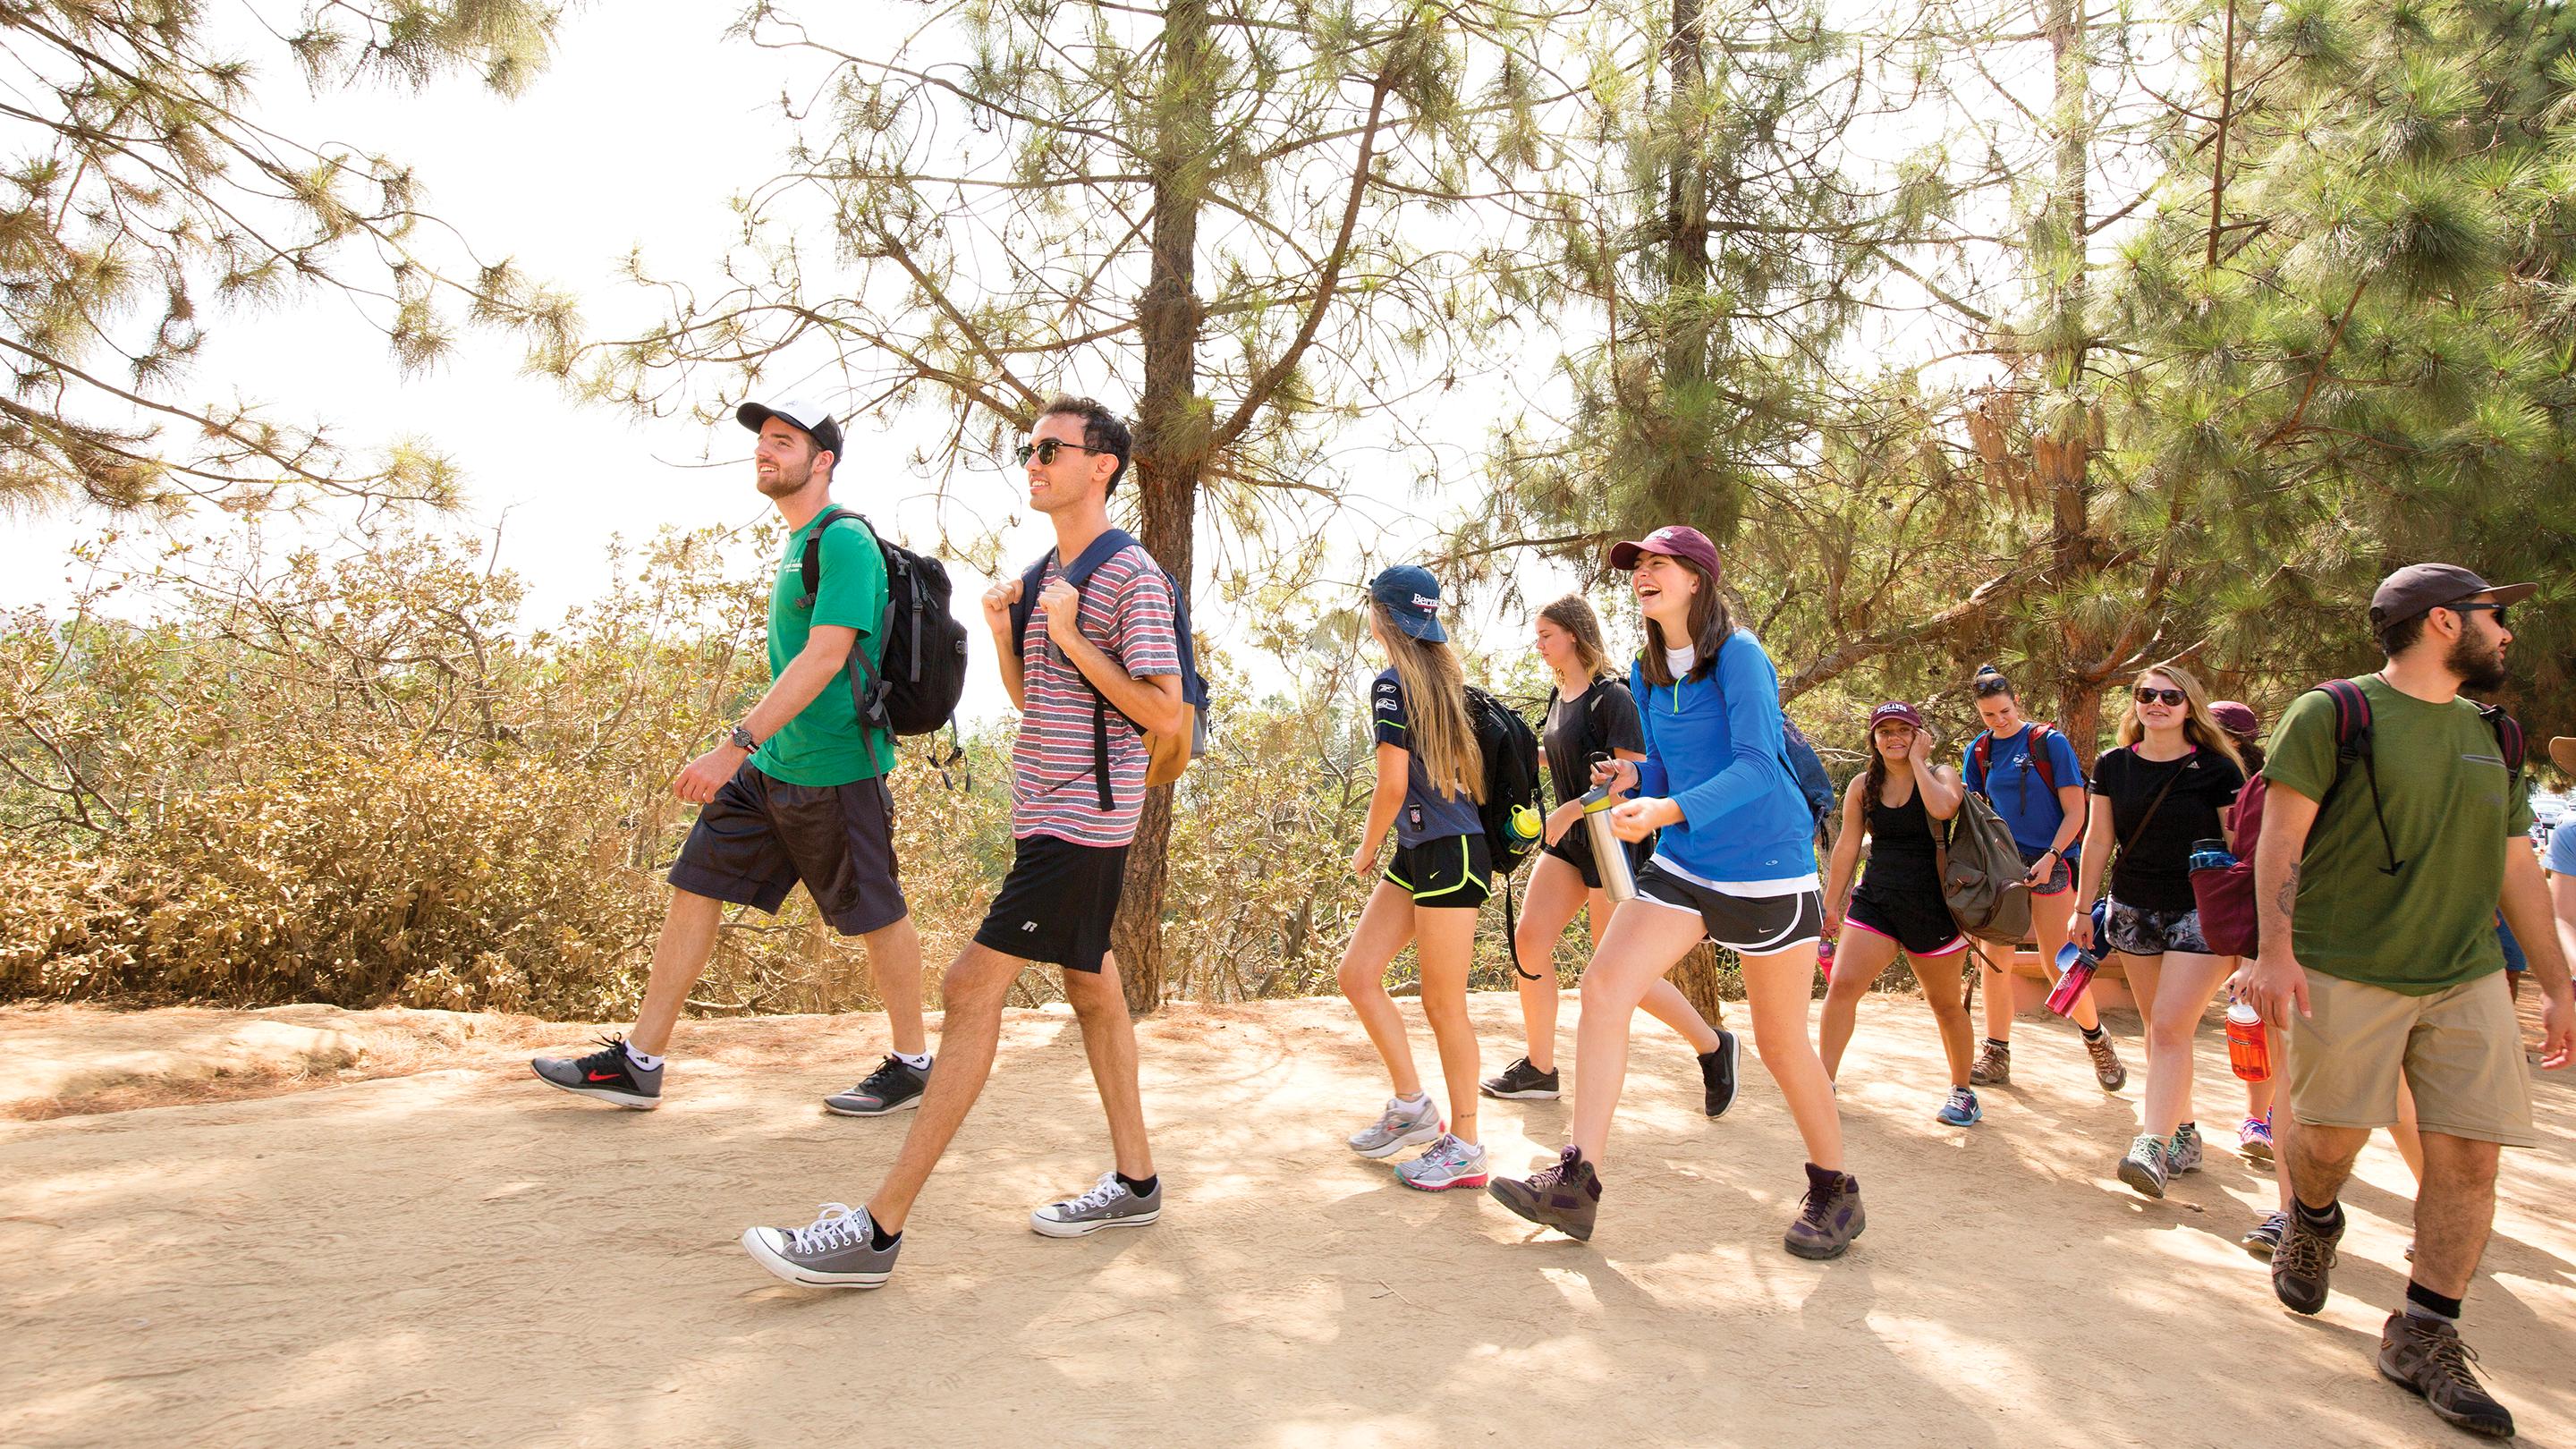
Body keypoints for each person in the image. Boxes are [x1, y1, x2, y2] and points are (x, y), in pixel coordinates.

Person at [738, 396, 1184, 1288]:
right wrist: (1006, 632)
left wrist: (1064, 631)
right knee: (1095, 997)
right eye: (1029, 448)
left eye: (1052, 448)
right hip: (1046, 816)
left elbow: (1163, 712)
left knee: (969, 987)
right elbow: (1035, 702)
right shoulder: (1046, 569)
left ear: (1103, 465)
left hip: (1084, 822)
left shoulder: (1130, 576)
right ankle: (1136, 1181)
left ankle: (878, 1231)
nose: (1034, 460)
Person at [2238, 564, 2572, 1439]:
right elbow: (2282, 837)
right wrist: (2274, 952)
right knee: (2332, 1137)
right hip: (2345, 964)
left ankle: (2426, 1331)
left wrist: (2560, 984)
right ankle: (2313, 1215)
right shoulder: (2332, 714)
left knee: (2471, 1159)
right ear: (2438, 623)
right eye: (2492, 616)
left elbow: (2515, 864)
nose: (2505, 633)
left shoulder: (2495, 734)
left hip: (2462, 972)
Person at [530, 399, 929, 1114]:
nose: (765, 453)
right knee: (696, 887)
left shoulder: (843, 542)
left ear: (823, 461)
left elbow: (826, 655)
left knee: (875, 915)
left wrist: (731, 746)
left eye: (783, 443)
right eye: (762, 444)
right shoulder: (799, 540)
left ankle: (912, 1061)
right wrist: (752, 753)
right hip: (771, 768)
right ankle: (640, 1062)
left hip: (835, 770)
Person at [1487, 526, 1857, 1258]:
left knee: (1783, 1044)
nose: (1644, 575)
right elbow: (1662, 766)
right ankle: (1577, 1182)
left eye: (1660, 564)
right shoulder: (1647, 668)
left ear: (1697, 580)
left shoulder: (1740, 657)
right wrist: (1633, 782)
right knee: (1605, 985)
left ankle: (1836, 1189)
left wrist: (1664, 810)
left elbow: (1756, 765)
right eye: (1638, 567)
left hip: (1769, 868)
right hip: (1689, 864)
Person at [1482, 595, 1738, 1116]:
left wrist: (1571, 811)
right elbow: (1560, 755)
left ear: (1573, 636)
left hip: (1611, 842)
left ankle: (1712, 1044)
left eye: (1545, 635)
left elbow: (1632, 780)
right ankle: (1539, 1068)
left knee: (1614, 969)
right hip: (1570, 842)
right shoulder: (1559, 697)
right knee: (1528, 940)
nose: (1539, 645)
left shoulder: (1612, 697)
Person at [1335, 565, 1495, 1191]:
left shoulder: (1390, 683)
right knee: (1357, 974)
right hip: (1426, 848)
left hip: (1448, 853)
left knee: (1443, 1004)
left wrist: (1365, 846)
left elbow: (1393, 784)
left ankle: (1469, 1144)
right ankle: (1412, 1107)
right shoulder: (1440, 677)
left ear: (1381, 616)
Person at [2069, 661, 2245, 1199]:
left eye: (2171, 696)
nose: (2158, 704)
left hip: (2202, 911)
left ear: (2189, 705)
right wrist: (2082, 910)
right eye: (2147, 694)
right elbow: (2098, 840)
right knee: (2158, 1029)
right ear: (2135, 702)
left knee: (2169, 1027)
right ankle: (2184, 1133)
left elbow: (2242, 849)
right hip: (2134, 908)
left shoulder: (2218, 769)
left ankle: (2151, 1143)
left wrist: (2254, 935)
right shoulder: (2113, 764)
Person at [1962, 666, 2126, 1092]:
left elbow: (2077, 812)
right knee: (1994, 961)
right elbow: (1977, 814)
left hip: (2051, 862)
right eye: (1988, 715)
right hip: (2003, 867)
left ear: (2016, 702)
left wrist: (2053, 857)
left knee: (2060, 963)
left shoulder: (2048, 743)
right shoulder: (1979, 752)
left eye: (2003, 710)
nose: (1998, 720)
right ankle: (1996, 1052)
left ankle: (2096, 1039)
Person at [1817, 702, 1979, 1125]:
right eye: (1884, 730)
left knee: (1945, 1005)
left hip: (1934, 907)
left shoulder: (1941, 774)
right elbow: (1847, 846)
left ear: (1918, 735)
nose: (1894, 738)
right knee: (1844, 984)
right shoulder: (1862, 785)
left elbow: (1945, 808)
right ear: (1873, 739)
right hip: (1877, 901)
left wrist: (1920, 762)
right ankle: (1822, 1081)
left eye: (1903, 730)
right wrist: (1831, 904)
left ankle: (1963, 1092)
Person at [2209, 699, 2276, 1162]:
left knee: (2259, 1018)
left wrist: (2257, 951)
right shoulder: (2202, 772)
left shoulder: (2261, 789)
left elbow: (2262, 866)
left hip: (2254, 918)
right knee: (2245, 1018)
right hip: (2216, 913)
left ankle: (2262, 1118)